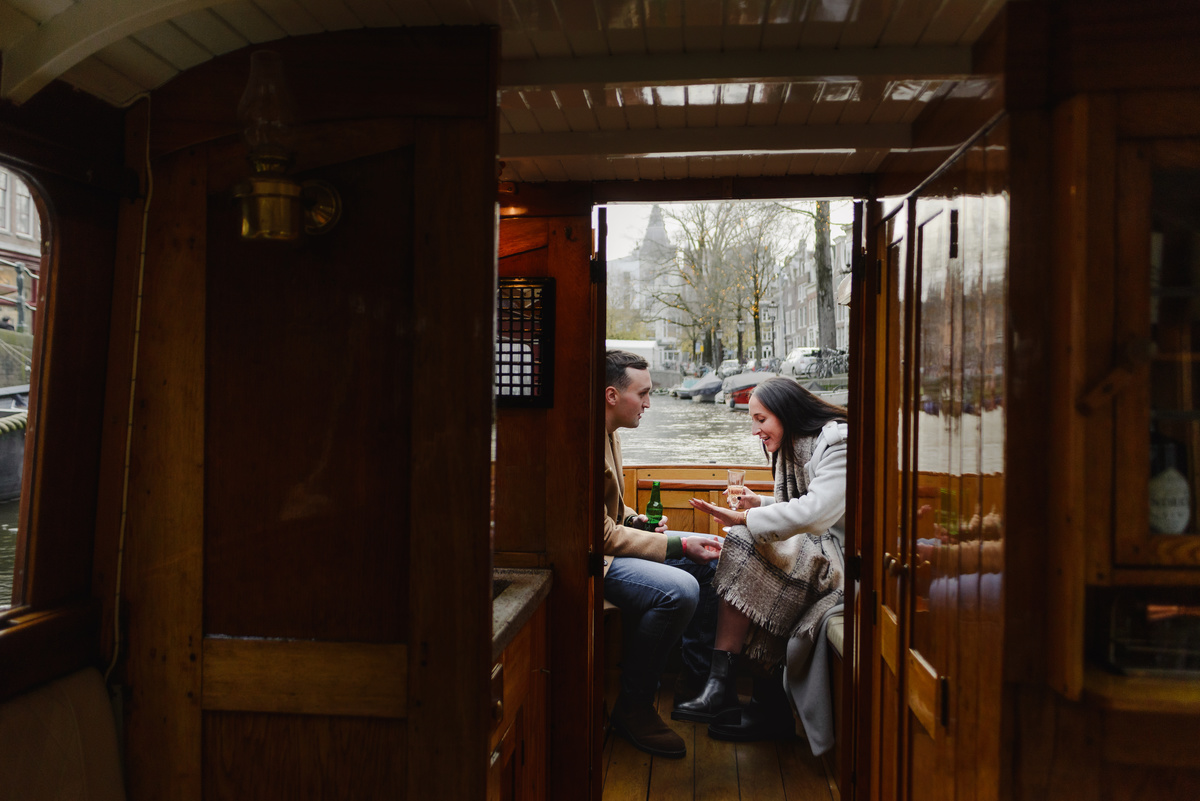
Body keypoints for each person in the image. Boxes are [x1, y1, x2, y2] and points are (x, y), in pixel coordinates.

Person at [675, 377, 846, 749]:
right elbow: (803, 509)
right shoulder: (798, 446)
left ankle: (731, 690)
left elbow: (817, 513)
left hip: (843, 563)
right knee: (744, 544)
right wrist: (761, 504)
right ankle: (742, 693)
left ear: (786, 413)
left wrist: (744, 517)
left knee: (742, 540)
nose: (755, 430)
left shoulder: (839, 443)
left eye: (761, 419)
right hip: (821, 549)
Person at [602, 349, 723, 759]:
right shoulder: (583, 440)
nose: (649, 404)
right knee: (680, 590)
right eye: (643, 394)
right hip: (593, 561)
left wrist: (636, 521)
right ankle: (634, 706)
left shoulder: (610, 433)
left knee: (710, 561)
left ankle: (696, 684)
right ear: (612, 396)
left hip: (610, 547)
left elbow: (612, 511)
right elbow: (597, 534)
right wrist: (676, 544)